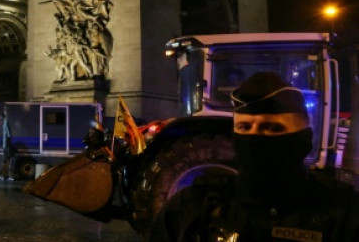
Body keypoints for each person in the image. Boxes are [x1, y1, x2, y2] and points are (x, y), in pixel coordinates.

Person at [149, 71, 359, 241]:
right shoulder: (191, 208)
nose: (256, 137)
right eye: (245, 127)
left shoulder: (344, 213)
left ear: (304, 137)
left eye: (273, 128)